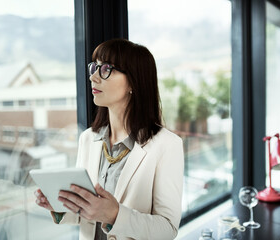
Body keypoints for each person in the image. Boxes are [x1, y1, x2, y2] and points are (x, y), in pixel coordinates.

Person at [35, 38, 184, 240]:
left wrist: (114, 215)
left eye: (106, 69)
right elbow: (85, 214)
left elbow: (167, 229)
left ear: (133, 80)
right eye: (94, 68)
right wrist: (59, 205)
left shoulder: (167, 145)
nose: (94, 77)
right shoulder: (88, 139)